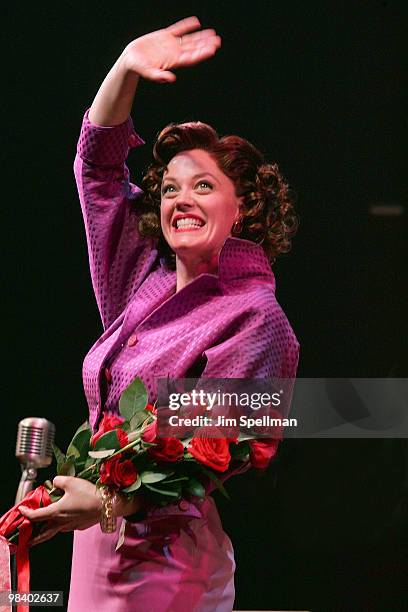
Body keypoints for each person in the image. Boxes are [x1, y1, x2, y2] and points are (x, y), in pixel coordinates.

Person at [20, 16, 300, 612]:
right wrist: (124, 66)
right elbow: (97, 171)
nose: (180, 201)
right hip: (95, 544)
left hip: (169, 562)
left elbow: (208, 453)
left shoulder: (256, 317)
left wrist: (107, 502)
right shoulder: (139, 279)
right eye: (170, 189)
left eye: (202, 186)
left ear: (243, 205)